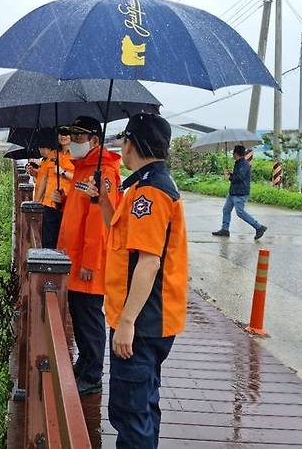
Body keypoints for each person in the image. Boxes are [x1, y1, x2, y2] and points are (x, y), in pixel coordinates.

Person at [83, 113, 188, 449]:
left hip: (142, 323)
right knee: (143, 404)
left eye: (124, 141)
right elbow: (120, 230)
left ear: (131, 144)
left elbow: (148, 262)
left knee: (130, 413)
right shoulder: (144, 186)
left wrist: (127, 322)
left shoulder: (150, 193)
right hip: (149, 320)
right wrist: (102, 200)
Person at [53, 116, 121, 396]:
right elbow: (79, 210)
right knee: (79, 316)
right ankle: (85, 363)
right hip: (74, 259)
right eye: (73, 134)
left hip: (87, 263)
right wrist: (63, 201)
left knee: (90, 318)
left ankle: (92, 376)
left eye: (81, 136)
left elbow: (98, 223)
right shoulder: (82, 170)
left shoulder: (102, 173)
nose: (75, 141)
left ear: (95, 139)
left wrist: (91, 264)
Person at [212, 145, 267, 240]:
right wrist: (231, 173)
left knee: (240, 212)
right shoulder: (238, 163)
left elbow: (240, 178)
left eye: (233, 153)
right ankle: (225, 229)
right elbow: (238, 175)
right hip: (233, 192)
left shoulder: (244, 164)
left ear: (237, 154)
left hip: (240, 193)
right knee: (226, 210)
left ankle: (259, 227)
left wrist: (229, 177)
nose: (232, 154)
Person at [38, 130, 74, 248]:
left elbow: (79, 179)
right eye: (61, 133)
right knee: (48, 241)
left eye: (67, 133)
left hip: (67, 205)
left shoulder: (76, 155)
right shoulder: (53, 154)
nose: (64, 136)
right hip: (49, 204)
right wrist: (37, 201)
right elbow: (44, 178)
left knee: (64, 242)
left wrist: (63, 172)